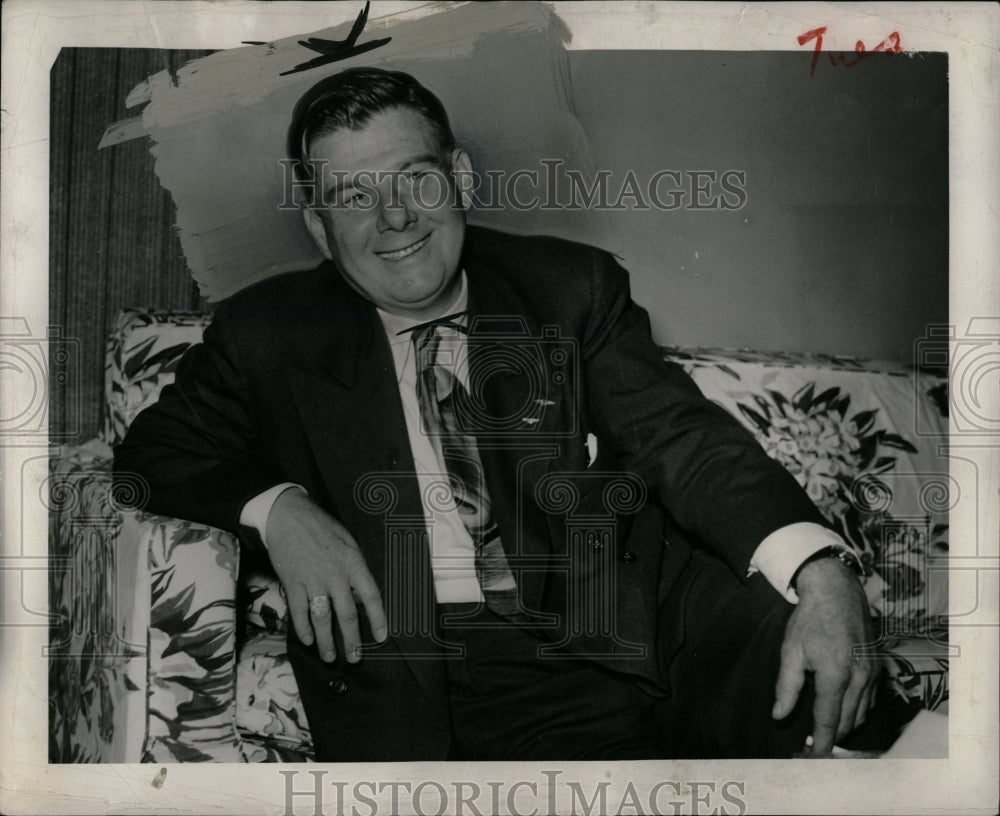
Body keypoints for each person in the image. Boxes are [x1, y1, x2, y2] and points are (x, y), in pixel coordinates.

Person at [114, 67, 876, 761]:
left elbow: (681, 438)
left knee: (822, 688)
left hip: (619, 621)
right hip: (430, 656)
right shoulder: (268, 334)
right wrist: (281, 511)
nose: (396, 218)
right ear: (318, 225)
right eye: (353, 196)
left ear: (462, 179)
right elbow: (151, 456)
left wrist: (819, 569)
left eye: (416, 178)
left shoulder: (568, 287)